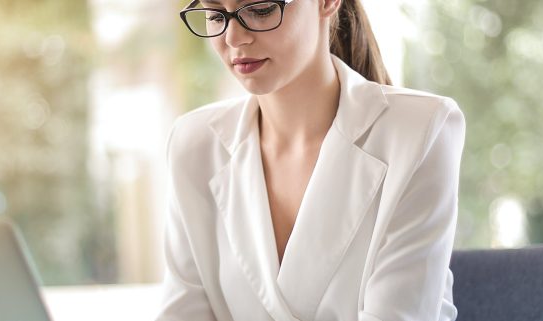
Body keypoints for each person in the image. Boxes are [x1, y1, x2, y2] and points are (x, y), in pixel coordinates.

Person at [156, 0, 464, 319]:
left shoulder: (420, 130)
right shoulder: (193, 145)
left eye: (260, 9)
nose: (233, 37)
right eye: (215, 14)